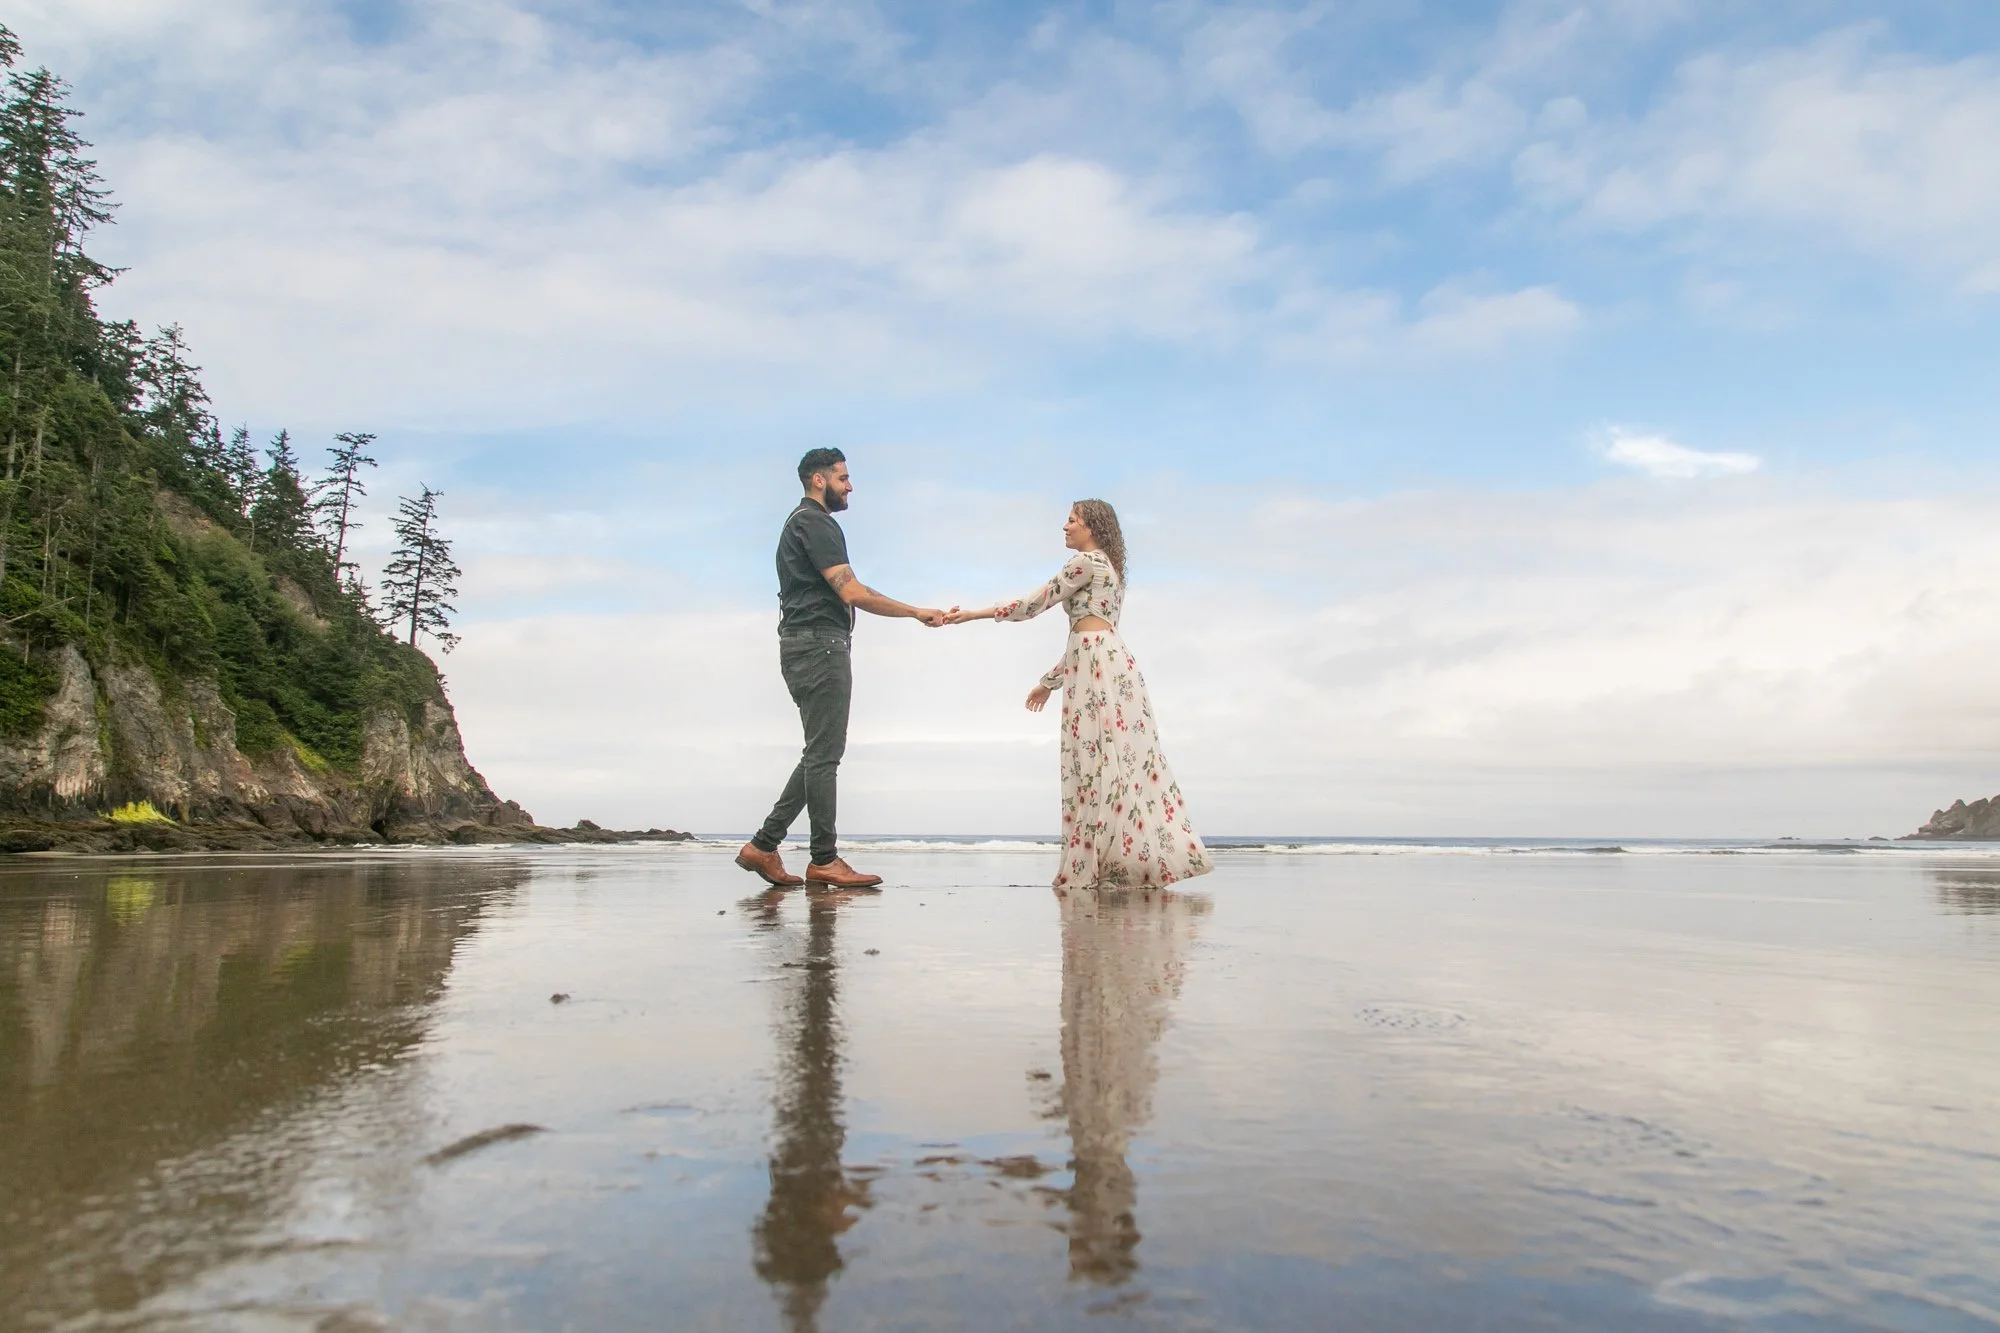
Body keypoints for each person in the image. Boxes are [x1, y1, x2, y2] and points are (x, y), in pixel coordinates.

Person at [944, 500, 1211, 890]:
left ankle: (1101, 866)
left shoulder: (1084, 564)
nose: (1064, 526)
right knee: (1112, 765)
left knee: (1093, 764)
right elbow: (1088, 637)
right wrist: (1049, 682)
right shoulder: (1111, 569)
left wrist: (972, 615)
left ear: (1092, 527)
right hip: (1109, 664)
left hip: (1096, 671)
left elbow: (1033, 604)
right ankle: (1117, 865)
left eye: (1072, 520)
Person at [737, 449, 947, 891]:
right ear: (819, 480)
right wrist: (913, 613)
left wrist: (913, 611)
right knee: (825, 755)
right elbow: (850, 591)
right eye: (843, 478)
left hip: (806, 645)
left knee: (818, 753)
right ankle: (824, 859)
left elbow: (853, 587)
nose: (850, 486)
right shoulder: (814, 522)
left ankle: (763, 845)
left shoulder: (801, 523)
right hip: (819, 647)